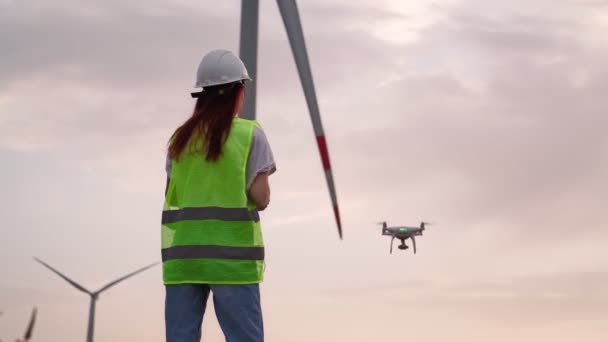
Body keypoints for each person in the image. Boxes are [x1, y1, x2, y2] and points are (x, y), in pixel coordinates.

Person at [161, 49, 276, 342]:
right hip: (232, 259)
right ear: (238, 91)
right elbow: (260, 198)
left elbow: (172, 193)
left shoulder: (179, 139)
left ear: (201, 95)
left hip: (184, 258)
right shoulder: (249, 135)